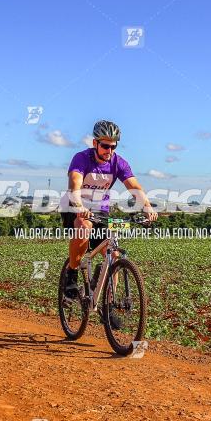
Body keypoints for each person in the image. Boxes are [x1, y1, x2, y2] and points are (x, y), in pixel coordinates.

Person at [61, 119, 157, 300]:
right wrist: (80, 206)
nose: (109, 151)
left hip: (100, 210)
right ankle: (72, 274)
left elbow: (134, 186)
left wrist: (147, 207)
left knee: (114, 254)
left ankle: (108, 303)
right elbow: (75, 183)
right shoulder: (81, 158)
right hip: (75, 206)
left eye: (113, 146)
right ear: (95, 143)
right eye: (105, 146)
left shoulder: (118, 163)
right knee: (83, 227)